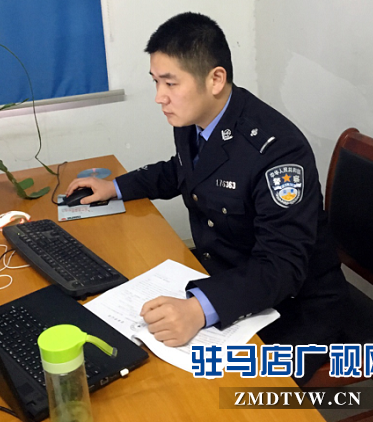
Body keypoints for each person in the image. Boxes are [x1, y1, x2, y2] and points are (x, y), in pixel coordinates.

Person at [65, 12, 348, 384]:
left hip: (295, 304)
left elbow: (282, 266)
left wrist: (200, 309)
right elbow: (183, 169)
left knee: (214, 397)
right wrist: (116, 187)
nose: (159, 97)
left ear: (215, 79)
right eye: (156, 81)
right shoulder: (195, 118)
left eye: (170, 83)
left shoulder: (277, 151)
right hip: (229, 277)